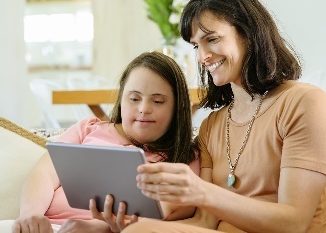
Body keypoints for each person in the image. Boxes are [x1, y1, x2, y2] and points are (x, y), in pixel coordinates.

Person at [99, 0, 326, 232]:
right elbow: (204, 222)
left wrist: (201, 192)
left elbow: (294, 223)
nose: (202, 57)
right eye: (196, 46)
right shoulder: (212, 126)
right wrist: (111, 228)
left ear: (248, 33)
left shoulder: (305, 103)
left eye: (211, 39)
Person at [11, 51, 200, 233]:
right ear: (122, 99)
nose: (143, 108)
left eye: (157, 101)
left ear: (177, 107)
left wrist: (103, 229)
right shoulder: (88, 128)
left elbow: (162, 212)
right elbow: (45, 173)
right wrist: (30, 215)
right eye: (134, 98)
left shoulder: (184, 158)